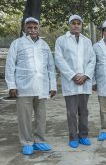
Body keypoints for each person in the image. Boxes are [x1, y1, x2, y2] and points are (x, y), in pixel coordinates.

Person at [5, 17, 57, 155]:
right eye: (29, 27)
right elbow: (10, 66)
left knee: (41, 116)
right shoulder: (17, 43)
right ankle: (27, 142)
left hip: (42, 86)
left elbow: (51, 67)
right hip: (23, 86)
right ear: (24, 28)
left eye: (35, 27)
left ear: (38, 28)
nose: (32, 30)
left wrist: (53, 86)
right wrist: (11, 86)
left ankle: (39, 141)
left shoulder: (44, 45)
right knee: (25, 117)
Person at [55, 15, 96, 148]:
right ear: (69, 24)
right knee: (71, 112)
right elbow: (59, 60)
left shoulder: (87, 41)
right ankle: (73, 137)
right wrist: (73, 76)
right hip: (70, 81)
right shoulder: (61, 40)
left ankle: (83, 135)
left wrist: (85, 76)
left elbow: (92, 60)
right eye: (74, 23)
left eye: (79, 23)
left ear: (82, 25)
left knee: (83, 111)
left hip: (84, 81)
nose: (76, 25)